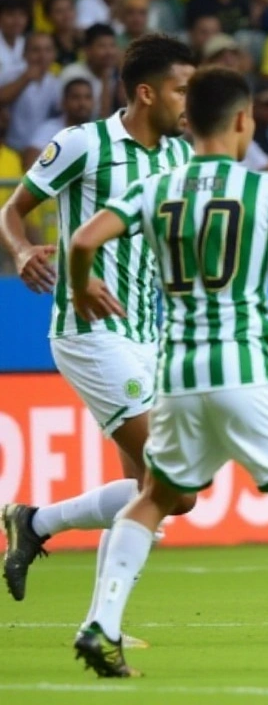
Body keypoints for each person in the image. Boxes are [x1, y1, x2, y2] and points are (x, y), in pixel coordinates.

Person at [64, 65, 268, 676]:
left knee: (154, 498)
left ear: (190, 120)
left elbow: (81, 242)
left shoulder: (157, 185)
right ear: (240, 122)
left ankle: (101, 623)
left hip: (176, 373)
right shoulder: (264, 191)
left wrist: (80, 292)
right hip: (244, 369)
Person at [0, 36, 197, 625]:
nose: (189, 102)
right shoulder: (83, 145)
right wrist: (21, 251)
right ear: (146, 92)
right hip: (89, 333)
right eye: (181, 89)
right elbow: (11, 212)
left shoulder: (179, 158)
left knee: (148, 493)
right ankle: (37, 526)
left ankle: (97, 623)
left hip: (150, 335)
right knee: (175, 487)